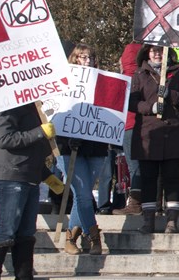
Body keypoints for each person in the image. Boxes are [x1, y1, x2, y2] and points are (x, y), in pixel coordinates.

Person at [129, 45, 179, 234]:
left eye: (161, 49)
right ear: (147, 53)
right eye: (153, 50)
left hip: (173, 134)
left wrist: (171, 95)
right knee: (148, 179)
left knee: (171, 178)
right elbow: (132, 102)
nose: (157, 53)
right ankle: (148, 221)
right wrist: (149, 108)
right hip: (147, 135)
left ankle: (172, 220)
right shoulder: (139, 74)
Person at [0, 103, 56, 279]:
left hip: (29, 176)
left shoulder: (33, 107)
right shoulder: (4, 103)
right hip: (10, 175)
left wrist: (46, 175)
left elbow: (33, 148)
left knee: (26, 233)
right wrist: (39, 132)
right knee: (6, 230)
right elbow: (4, 139)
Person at [56, 43, 108, 255]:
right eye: (82, 57)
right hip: (69, 148)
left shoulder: (104, 83)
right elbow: (56, 111)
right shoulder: (63, 81)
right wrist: (69, 137)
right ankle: (94, 237)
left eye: (90, 58)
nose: (87, 61)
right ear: (75, 59)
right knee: (84, 194)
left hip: (95, 147)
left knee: (83, 194)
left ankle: (71, 236)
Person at [113, 41, 144, 216]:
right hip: (142, 126)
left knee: (134, 167)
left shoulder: (126, 80)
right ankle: (145, 203)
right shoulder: (146, 76)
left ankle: (135, 204)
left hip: (130, 125)